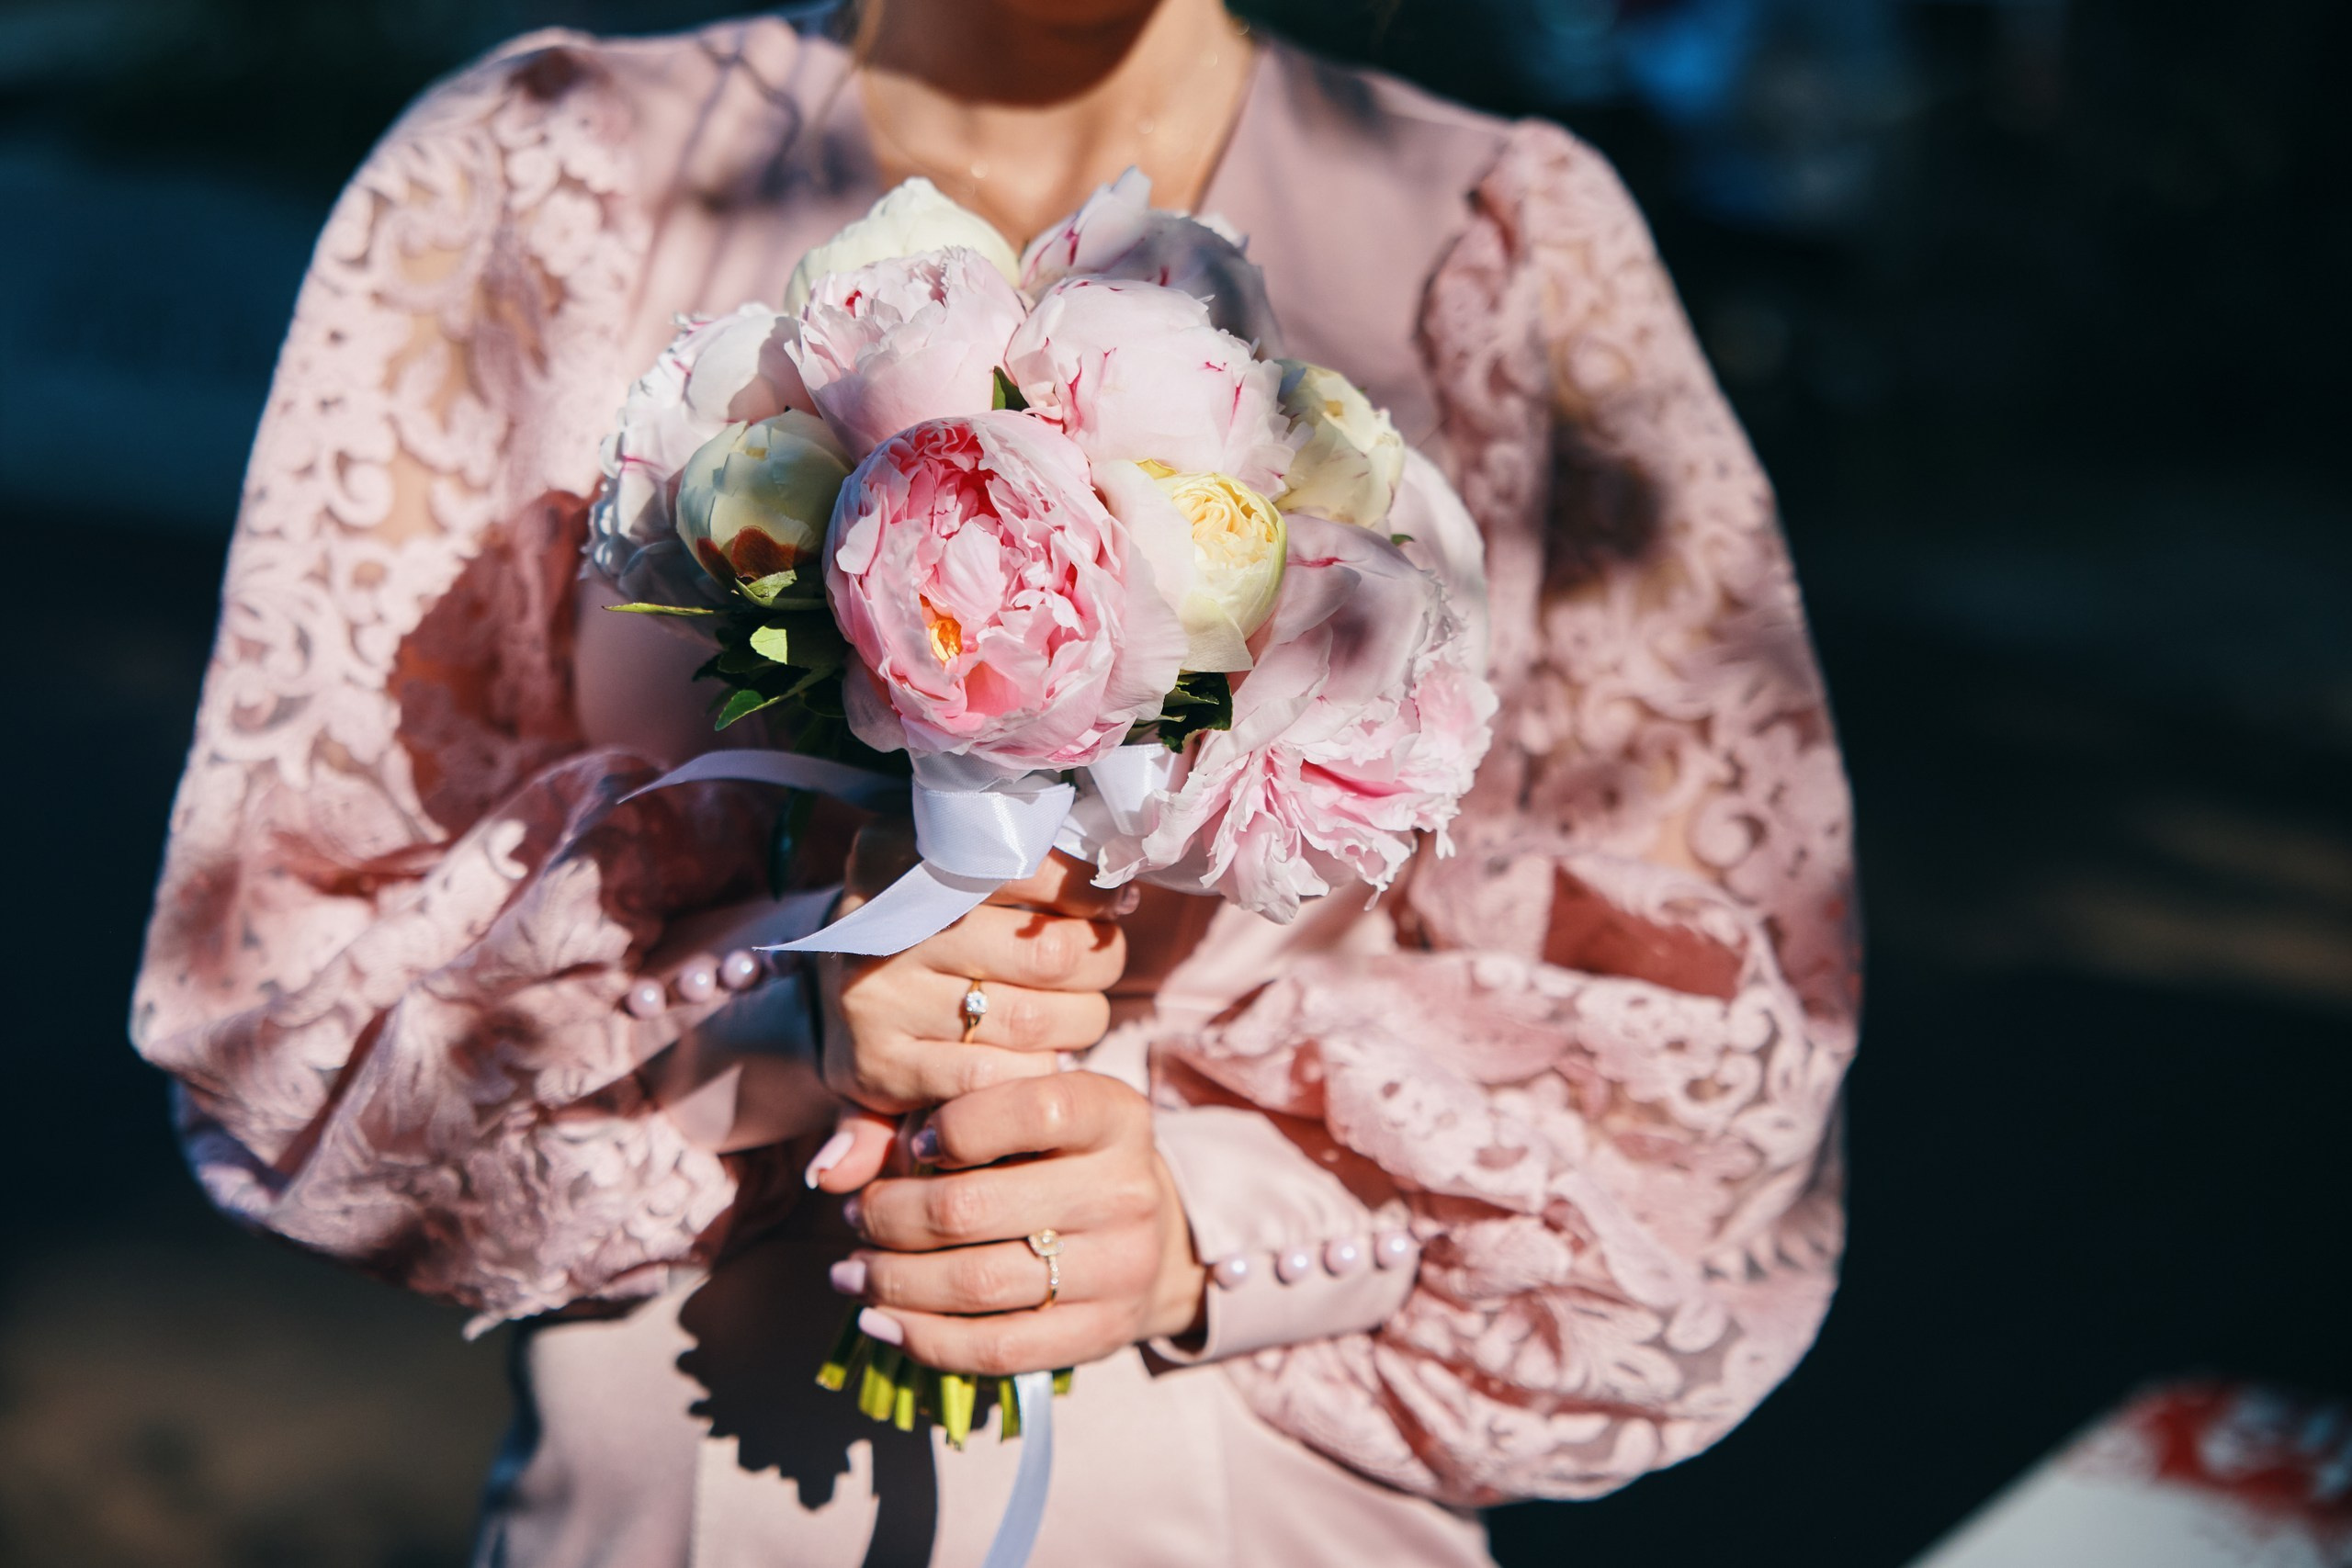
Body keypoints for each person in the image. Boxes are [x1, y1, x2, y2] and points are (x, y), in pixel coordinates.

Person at [130, 0, 1860, 1562]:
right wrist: (779, 1020)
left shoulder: (1502, 239)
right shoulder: (533, 177)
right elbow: (281, 988)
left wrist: (1216, 1225)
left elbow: (1712, 1051)